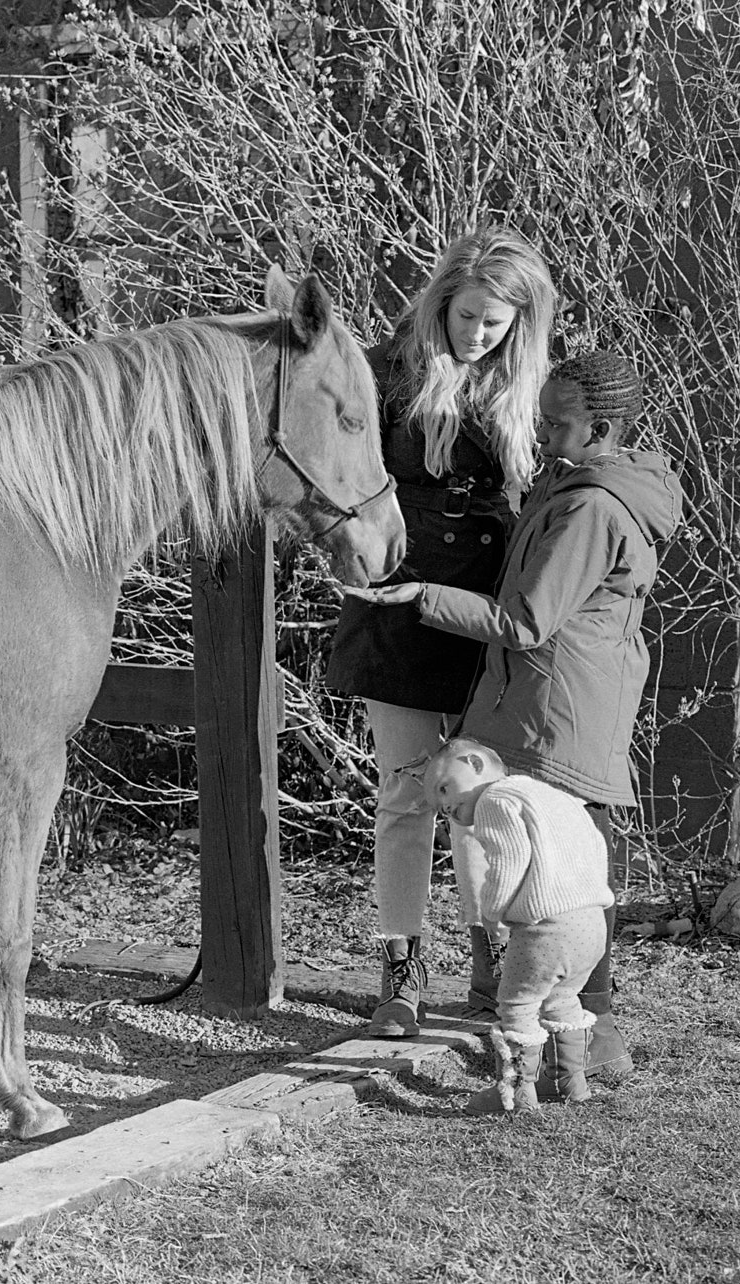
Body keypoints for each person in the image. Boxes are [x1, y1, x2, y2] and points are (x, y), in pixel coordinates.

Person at [348, 349, 685, 1083]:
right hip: (539, 701)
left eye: (556, 420)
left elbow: (528, 619)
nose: (540, 427)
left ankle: (592, 1040)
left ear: (599, 427)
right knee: (553, 872)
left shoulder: (593, 507)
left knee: (566, 880)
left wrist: (422, 597)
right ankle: (554, 1036)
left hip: (558, 710)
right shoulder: (571, 485)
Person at [327, 226, 556, 1037]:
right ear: (442, 301)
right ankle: (401, 970)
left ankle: (488, 958)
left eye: (496, 324)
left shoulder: (524, 385)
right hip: (397, 601)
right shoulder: (385, 371)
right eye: (467, 317)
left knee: (483, 792)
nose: (478, 335)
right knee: (403, 793)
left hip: (487, 610)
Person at [421, 738, 612, 1112]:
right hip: (591, 922)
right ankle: (568, 1081)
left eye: (444, 788)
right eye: (439, 810)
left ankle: (515, 1094)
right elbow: (596, 844)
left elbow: (507, 862)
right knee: (562, 999)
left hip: (546, 928)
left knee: (517, 1005)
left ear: (475, 763)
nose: (445, 806)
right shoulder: (552, 796)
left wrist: (493, 910)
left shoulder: (496, 799)